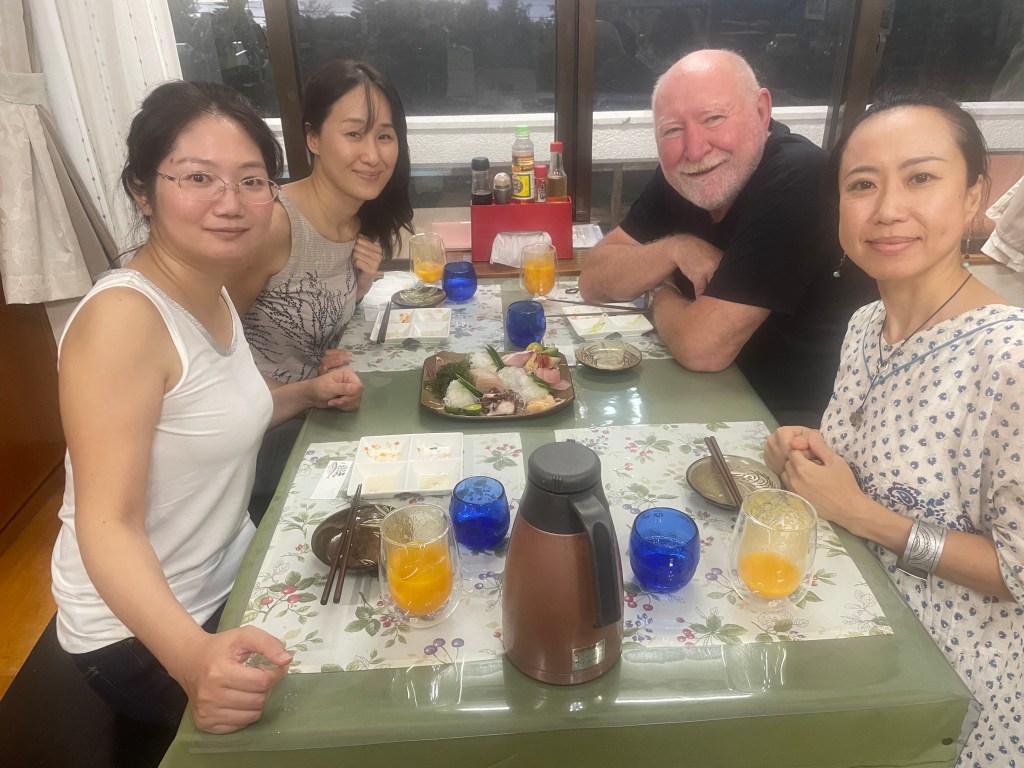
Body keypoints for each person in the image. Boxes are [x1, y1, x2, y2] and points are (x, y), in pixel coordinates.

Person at [51, 81, 363, 733]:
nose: (231, 203)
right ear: (143, 191)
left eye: (252, 181)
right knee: (343, 725)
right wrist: (192, 659)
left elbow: (209, 419)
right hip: (144, 634)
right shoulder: (122, 320)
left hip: (234, 572)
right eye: (199, 177)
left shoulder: (211, 289)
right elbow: (106, 525)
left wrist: (306, 393)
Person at [765, 88, 1023, 767]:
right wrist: (810, 453)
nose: (886, 209)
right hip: (852, 632)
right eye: (862, 184)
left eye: (921, 177)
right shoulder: (865, 326)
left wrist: (864, 516)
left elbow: (1020, 570)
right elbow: (879, 466)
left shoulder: (1011, 360)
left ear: (974, 196)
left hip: (949, 698)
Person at [578, 49, 875, 425]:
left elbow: (701, 348)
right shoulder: (684, 174)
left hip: (798, 422)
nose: (694, 148)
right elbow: (593, 280)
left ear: (761, 110)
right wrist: (674, 249)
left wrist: (657, 291)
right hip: (718, 393)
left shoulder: (798, 179)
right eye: (672, 130)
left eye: (713, 118)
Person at [226, 59, 413, 516]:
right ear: (312, 137)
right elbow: (209, 351)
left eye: (384, 136)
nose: (373, 155)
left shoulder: (355, 220)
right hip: (257, 437)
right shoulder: (275, 223)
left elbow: (305, 309)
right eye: (354, 134)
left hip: (316, 410)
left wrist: (359, 287)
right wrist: (304, 387)